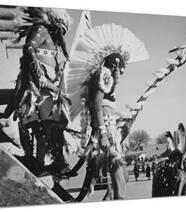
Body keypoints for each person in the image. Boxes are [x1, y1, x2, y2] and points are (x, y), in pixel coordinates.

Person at [65, 23, 148, 200]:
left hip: (110, 132)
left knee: (120, 174)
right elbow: (96, 106)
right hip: (104, 134)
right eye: (121, 71)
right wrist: (102, 133)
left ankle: (104, 199)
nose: (121, 76)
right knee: (117, 169)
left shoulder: (107, 79)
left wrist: (124, 120)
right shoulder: (104, 76)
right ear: (115, 66)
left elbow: (105, 108)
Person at [4, 7, 73, 175]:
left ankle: (49, 164)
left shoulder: (52, 39)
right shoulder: (41, 29)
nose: (62, 35)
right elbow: (29, 48)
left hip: (49, 89)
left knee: (52, 126)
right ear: (56, 23)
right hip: (35, 89)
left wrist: (59, 71)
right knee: (38, 126)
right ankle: (36, 162)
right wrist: (39, 75)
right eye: (61, 31)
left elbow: (45, 58)